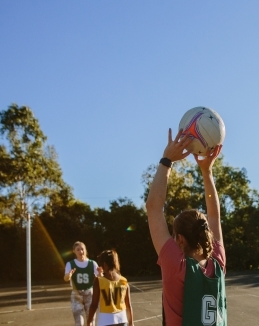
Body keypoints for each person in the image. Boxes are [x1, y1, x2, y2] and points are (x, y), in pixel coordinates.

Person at [146, 129, 227, 326]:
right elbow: (214, 215)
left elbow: (153, 209)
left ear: (180, 239)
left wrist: (167, 160)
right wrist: (207, 171)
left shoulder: (177, 265)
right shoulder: (217, 263)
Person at [87, 250, 134, 326]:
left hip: (105, 320)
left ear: (105, 264)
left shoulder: (99, 281)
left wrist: (89, 321)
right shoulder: (124, 281)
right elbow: (128, 305)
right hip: (122, 319)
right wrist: (131, 323)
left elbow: (94, 305)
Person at [64, 241, 101, 326]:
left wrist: (100, 274)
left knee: (91, 321)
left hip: (90, 293)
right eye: (78, 250)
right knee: (79, 322)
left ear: (86, 250)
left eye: (82, 249)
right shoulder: (70, 264)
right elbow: (65, 278)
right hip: (76, 294)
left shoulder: (92, 263)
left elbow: (99, 277)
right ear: (74, 251)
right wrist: (68, 275)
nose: (81, 252)